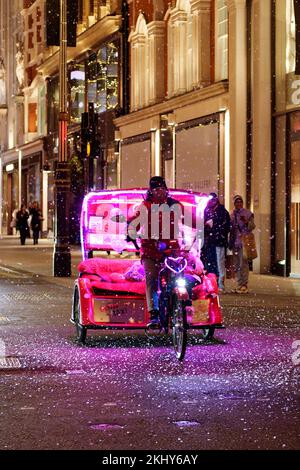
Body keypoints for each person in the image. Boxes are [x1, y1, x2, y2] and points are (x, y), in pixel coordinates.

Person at [127, 176, 183, 326]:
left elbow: (187, 218)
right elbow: (134, 224)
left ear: (166, 190)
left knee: (177, 278)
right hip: (150, 250)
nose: (160, 192)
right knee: (151, 280)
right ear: (151, 191)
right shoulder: (145, 206)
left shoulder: (174, 205)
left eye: (162, 189)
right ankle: (154, 313)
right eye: (156, 189)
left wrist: (204, 224)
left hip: (170, 250)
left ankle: (178, 305)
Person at [202, 193, 231, 293]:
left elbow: (227, 226)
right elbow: (201, 224)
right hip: (210, 242)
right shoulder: (207, 210)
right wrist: (206, 226)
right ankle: (211, 284)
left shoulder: (222, 211)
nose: (211, 202)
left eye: (213, 200)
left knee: (220, 262)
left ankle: (221, 284)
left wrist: (218, 230)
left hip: (219, 241)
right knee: (210, 263)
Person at [229, 195, 256, 294]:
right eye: (237, 202)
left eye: (240, 202)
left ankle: (244, 284)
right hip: (235, 242)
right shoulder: (232, 214)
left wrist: (246, 222)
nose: (239, 204)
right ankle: (239, 284)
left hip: (244, 242)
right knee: (236, 265)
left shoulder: (248, 213)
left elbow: (252, 227)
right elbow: (231, 229)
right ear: (234, 203)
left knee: (243, 264)